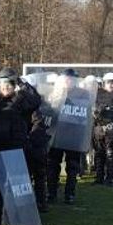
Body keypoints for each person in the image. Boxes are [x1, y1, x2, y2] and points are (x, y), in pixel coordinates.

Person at [0, 67, 41, 225]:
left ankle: (17, 218)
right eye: (2, 84)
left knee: (17, 185)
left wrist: (21, 82)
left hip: (16, 148)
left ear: (14, 85)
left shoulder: (21, 100)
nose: (5, 87)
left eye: (9, 84)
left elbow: (36, 100)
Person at [46, 69, 90, 204]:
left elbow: (85, 115)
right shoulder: (56, 93)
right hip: (57, 135)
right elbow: (50, 111)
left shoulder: (83, 94)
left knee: (72, 167)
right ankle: (52, 193)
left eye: (70, 79)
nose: (68, 81)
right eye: (66, 78)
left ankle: (69, 194)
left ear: (75, 80)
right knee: (52, 166)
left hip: (74, 136)